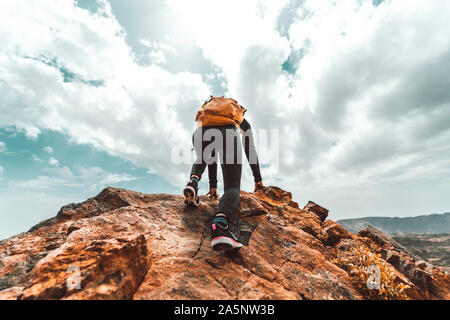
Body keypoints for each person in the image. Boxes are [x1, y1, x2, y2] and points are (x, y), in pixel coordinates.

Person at [183, 96, 263, 251]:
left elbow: (210, 155)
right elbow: (250, 151)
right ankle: (220, 226)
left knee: (203, 156)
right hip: (227, 135)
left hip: (199, 133)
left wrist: (213, 184)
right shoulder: (240, 120)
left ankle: (193, 182)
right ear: (236, 110)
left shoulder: (207, 118)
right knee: (232, 188)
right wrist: (258, 179)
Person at [205, 118, 265, 200]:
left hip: (207, 131)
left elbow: (212, 153)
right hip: (231, 138)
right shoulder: (238, 116)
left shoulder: (212, 115)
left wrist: (213, 184)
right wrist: (258, 179)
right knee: (232, 191)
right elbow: (250, 149)